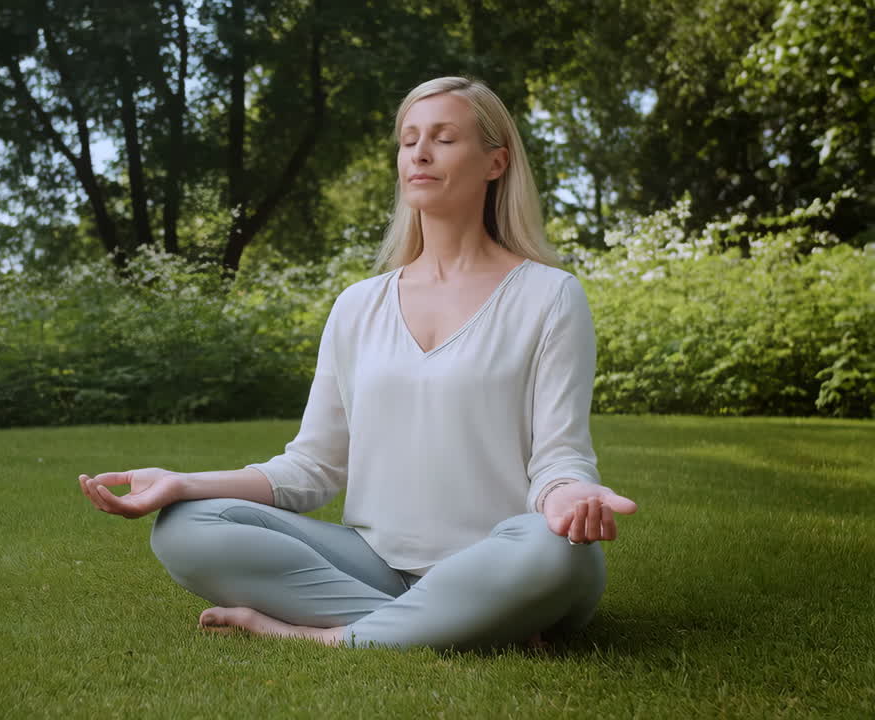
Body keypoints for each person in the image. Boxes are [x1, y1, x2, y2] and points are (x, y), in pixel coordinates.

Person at [77, 76, 638, 651]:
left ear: (495, 162)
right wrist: (182, 484)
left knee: (559, 551)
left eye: (443, 139)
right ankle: (467, 622)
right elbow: (312, 467)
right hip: (374, 562)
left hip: (505, 556)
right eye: (408, 139)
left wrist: (567, 494)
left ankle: (336, 636)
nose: (418, 153)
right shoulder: (357, 305)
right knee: (187, 527)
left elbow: (559, 455)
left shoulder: (549, 295)